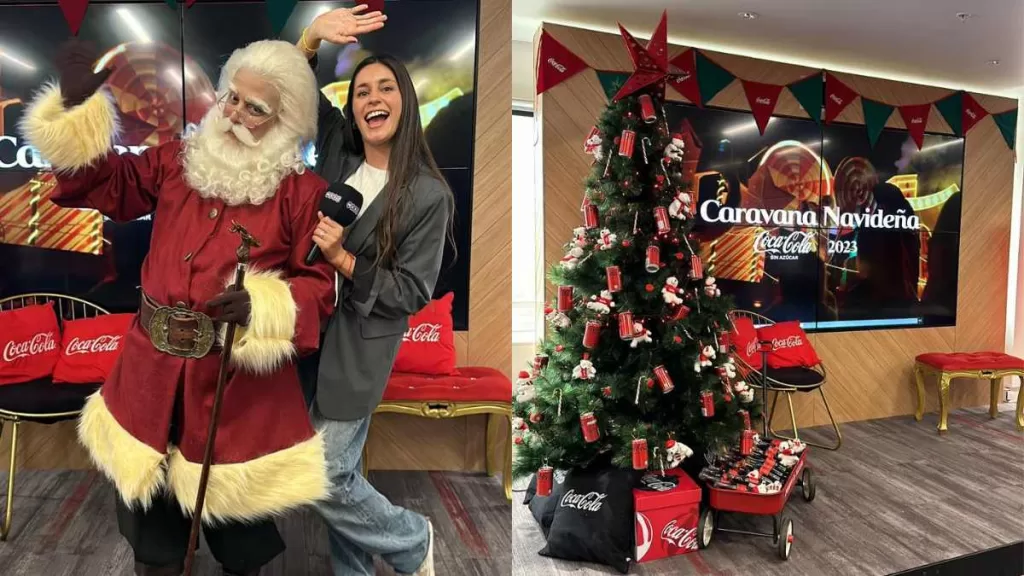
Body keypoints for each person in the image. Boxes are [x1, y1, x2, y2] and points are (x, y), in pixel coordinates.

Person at [20, 39, 336, 576]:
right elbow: (108, 186)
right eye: (232, 97)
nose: (234, 114)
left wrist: (267, 304)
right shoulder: (177, 160)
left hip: (235, 391)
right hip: (149, 378)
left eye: (255, 109)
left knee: (240, 545)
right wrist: (75, 114)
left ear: (284, 122)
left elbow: (320, 284)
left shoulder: (303, 193)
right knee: (153, 540)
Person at [294, 6, 453, 576]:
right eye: (362, 90)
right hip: (307, 334)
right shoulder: (339, 150)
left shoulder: (429, 195)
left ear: (404, 102)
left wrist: (342, 257)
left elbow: (411, 290)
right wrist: (311, 36)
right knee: (347, 472)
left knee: (324, 474)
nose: (372, 98)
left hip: (360, 345)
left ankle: (412, 540)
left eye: (385, 88)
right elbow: (302, 89)